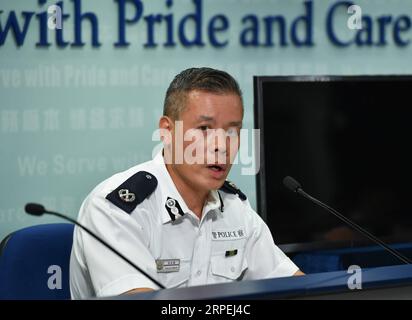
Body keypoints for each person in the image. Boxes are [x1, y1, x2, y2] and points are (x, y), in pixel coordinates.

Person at [69, 67, 303, 299]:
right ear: (167, 131)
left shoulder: (235, 207)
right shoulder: (115, 209)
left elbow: (297, 289)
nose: (222, 145)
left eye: (232, 131)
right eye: (204, 129)